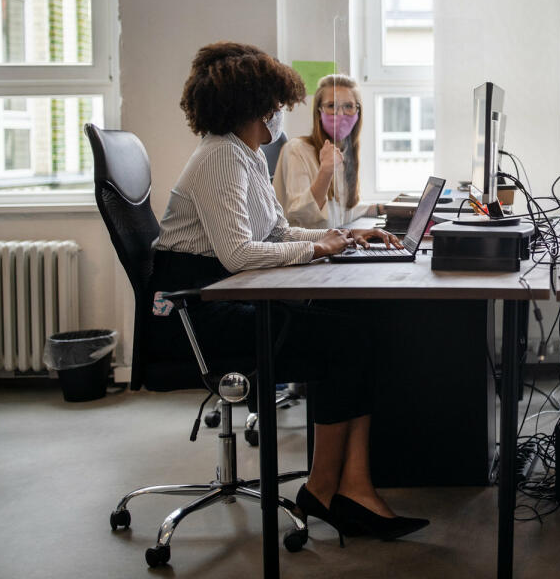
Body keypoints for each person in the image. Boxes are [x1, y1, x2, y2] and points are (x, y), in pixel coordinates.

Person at [151, 42, 428, 542]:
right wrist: (319, 250)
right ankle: (330, 490)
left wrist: (342, 238)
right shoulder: (219, 157)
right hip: (198, 317)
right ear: (252, 105)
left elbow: (276, 233)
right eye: (276, 102)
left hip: (227, 297)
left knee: (353, 333)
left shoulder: (247, 154)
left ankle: (349, 487)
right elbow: (239, 254)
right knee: (349, 341)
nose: (281, 112)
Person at [274, 74, 379, 228]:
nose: (340, 114)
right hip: (306, 247)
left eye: (348, 106)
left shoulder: (345, 152)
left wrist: (381, 209)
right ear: (319, 112)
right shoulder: (296, 149)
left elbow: (341, 212)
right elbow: (301, 216)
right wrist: (326, 171)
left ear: (358, 112)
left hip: (332, 244)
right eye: (331, 106)